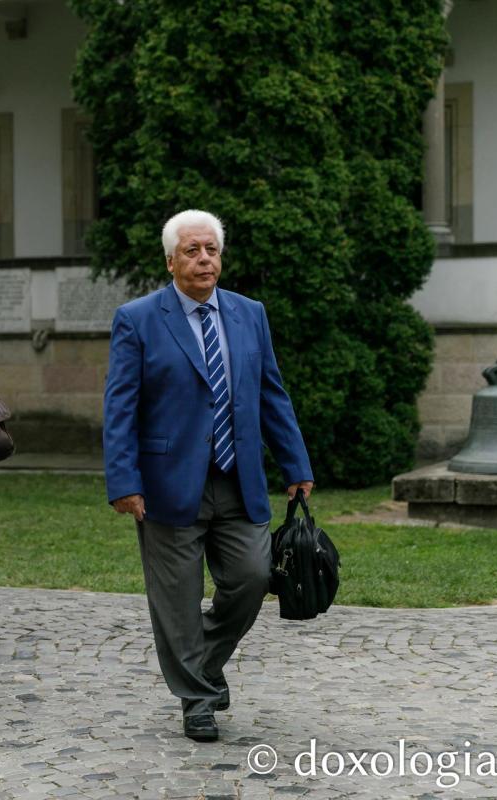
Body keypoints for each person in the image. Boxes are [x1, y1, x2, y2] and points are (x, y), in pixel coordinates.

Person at [102, 210, 313, 742]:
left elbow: (271, 392)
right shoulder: (138, 318)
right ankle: (196, 699)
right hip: (166, 484)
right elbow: (120, 407)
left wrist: (296, 464)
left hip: (237, 478)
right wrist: (124, 481)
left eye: (211, 250)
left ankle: (204, 664)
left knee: (252, 577)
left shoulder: (249, 314)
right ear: (171, 260)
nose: (204, 259)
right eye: (192, 250)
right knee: (175, 600)